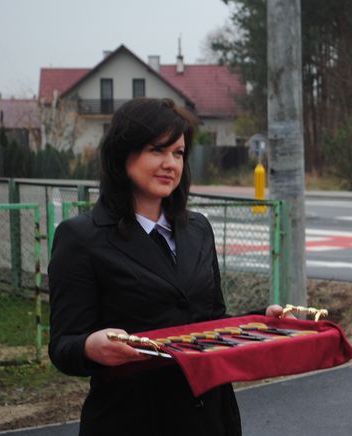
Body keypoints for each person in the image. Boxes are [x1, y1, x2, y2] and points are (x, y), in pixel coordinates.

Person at [48, 98, 286, 436]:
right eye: (156, 150)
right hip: (133, 420)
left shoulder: (198, 229)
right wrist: (89, 347)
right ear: (123, 154)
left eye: (178, 153)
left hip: (210, 416)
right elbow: (62, 345)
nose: (170, 164)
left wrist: (262, 319)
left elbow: (211, 321)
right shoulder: (80, 238)